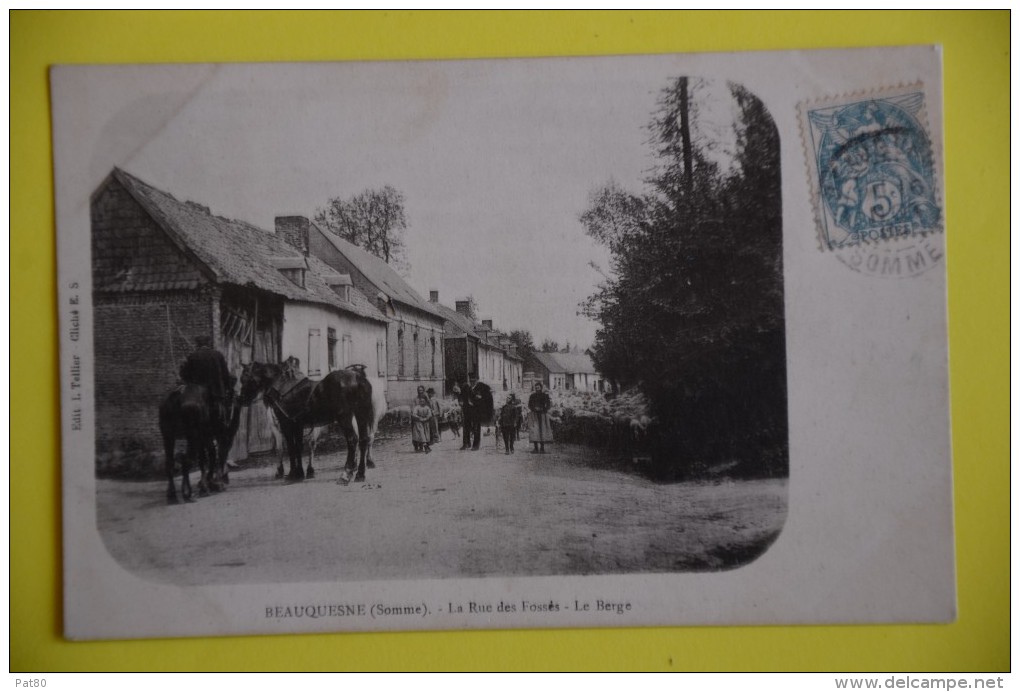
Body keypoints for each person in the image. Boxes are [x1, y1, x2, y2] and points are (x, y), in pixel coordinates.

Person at [179, 335, 235, 430]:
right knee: (227, 406)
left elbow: (185, 376)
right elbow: (226, 375)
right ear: (209, 344)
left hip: (197, 395)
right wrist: (228, 388)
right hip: (216, 393)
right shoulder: (218, 355)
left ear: (198, 344)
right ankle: (226, 423)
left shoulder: (192, 356)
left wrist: (182, 367)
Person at [468, 380, 494, 451]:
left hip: (479, 413)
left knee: (477, 429)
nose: (471, 382)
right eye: (471, 381)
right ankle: (475, 445)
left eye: (473, 381)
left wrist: (477, 400)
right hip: (475, 413)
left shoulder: (482, 389)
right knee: (475, 429)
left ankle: (476, 446)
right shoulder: (473, 389)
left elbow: (485, 401)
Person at [528, 382, 553, 454]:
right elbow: (529, 405)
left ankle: (542, 448)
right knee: (535, 431)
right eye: (536, 388)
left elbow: (548, 405)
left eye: (538, 387)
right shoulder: (532, 396)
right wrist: (534, 409)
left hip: (542, 415)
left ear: (541, 388)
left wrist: (543, 409)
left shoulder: (545, 396)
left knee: (542, 430)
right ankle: (535, 448)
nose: (537, 389)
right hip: (534, 415)